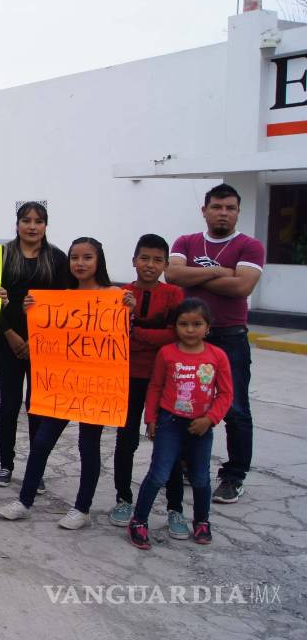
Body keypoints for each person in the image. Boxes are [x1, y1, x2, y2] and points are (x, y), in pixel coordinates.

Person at [0, 237, 134, 529]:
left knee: (88, 446)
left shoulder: (114, 296)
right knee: (42, 441)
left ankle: (81, 508)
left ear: (99, 261)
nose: (80, 263)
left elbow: (122, 338)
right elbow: (43, 332)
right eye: (75, 258)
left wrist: (129, 311)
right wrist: (27, 308)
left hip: (95, 386)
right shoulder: (60, 295)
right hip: (63, 385)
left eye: (87, 257)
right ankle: (24, 500)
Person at [165, 184, 263, 505]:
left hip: (230, 336)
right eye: (217, 206)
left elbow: (242, 286)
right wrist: (220, 270)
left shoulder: (250, 246)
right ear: (204, 210)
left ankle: (233, 476)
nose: (223, 213)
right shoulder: (186, 241)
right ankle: (185, 463)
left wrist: (195, 274)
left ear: (237, 212)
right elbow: (172, 275)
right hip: (189, 337)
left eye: (230, 208)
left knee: (234, 409)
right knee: (185, 402)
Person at [128, 298, 233, 549]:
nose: (189, 329)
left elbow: (226, 394)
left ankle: (202, 521)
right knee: (159, 473)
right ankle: (139, 520)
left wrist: (209, 419)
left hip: (201, 427)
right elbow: (155, 387)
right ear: (175, 326)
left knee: (200, 478)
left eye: (197, 324)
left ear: (208, 327)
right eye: (183, 324)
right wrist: (151, 418)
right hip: (170, 423)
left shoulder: (217, 356)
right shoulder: (167, 353)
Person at [109, 234, 187, 535]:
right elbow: (116, 336)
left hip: (165, 379)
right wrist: (141, 335)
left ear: (166, 264)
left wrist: (136, 334)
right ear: (133, 261)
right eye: (144, 258)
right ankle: (123, 498)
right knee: (125, 439)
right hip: (127, 377)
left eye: (157, 260)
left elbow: (174, 335)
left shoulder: (174, 295)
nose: (150, 265)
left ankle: (175, 508)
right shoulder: (121, 293)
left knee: (170, 445)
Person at [0, 202, 70, 488]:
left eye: (38, 221)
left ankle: (35, 470)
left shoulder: (58, 259)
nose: (32, 226)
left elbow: (65, 304)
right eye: (26, 220)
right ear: (17, 224)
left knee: (36, 406)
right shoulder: (0, 255)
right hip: (5, 341)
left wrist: (37, 339)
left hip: (44, 345)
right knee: (9, 404)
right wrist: (10, 333)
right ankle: (5, 464)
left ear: (46, 225)